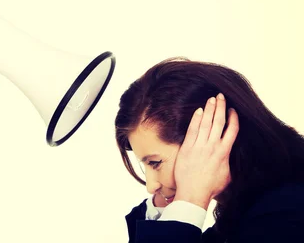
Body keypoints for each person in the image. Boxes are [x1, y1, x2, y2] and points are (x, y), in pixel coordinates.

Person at [114, 57, 304, 242]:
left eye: (155, 163)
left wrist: (190, 199)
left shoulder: (286, 216)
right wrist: (168, 206)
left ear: (216, 136)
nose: (151, 186)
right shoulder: (241, 216)